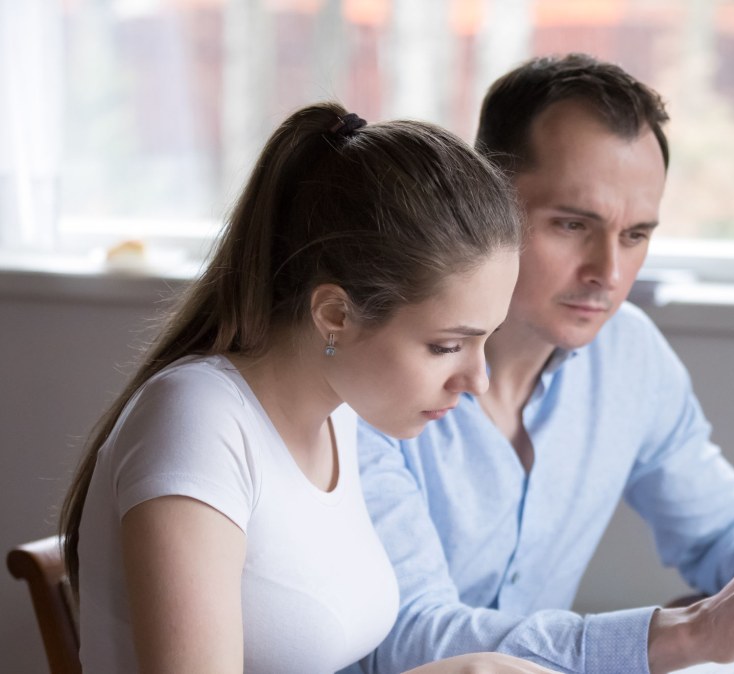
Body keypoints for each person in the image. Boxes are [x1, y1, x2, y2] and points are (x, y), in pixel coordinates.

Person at [353, 55, 734, 674]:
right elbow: (404, 637)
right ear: (486, 199)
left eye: (635, 236)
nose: (609, 272)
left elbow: (719, 524)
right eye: (573, 224)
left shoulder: (627, 354)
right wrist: (685, 632)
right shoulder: (373, 373)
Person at [59, 102, 554, 674]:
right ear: (335, 314)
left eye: (486, 339)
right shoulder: (197, 423)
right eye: (446, 346)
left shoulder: (337, 415)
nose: (478, 380)